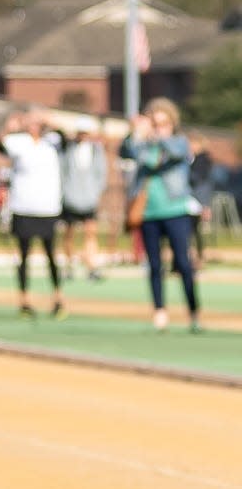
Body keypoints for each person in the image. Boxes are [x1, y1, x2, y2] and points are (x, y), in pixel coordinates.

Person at [121, 97, 200, 331]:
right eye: (155, 124)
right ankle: (159, 310)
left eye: (162, 123)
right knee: (154, 265)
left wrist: (157, 136)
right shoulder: (144, 146)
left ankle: (193, 310)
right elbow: (127, 151)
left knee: (183, 263)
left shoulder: (178, 142)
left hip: (175, 210)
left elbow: (176, 153)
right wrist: (136, 132)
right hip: (149, 212)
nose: (158, 128)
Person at [0, 108, 66, 318]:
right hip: (23, 206)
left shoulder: (52, 141)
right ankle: (24, 299)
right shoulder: (18, 141)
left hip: (48, 207)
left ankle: (57, 297)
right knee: (24, 255)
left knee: (51, 254)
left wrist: (50, 120)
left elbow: (66, 137)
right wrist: (9, 128)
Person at [59, 116, 107, 281]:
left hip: (89, 199)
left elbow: (101, 174)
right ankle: (69, 265)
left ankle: (91, 265)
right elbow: (63, 171)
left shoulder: (96, 149)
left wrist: (96, 194)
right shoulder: (68, 149)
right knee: (69, 234)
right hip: (71, 199)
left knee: (90, 233)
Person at [187, 132, 215, 270]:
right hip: (189, 198)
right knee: (189, 230)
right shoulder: (190, 159)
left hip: (197, 200)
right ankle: (189, 258)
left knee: (195, 230)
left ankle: (198, 258)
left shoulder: (203, 160)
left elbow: (201, 182)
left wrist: (205, 205)